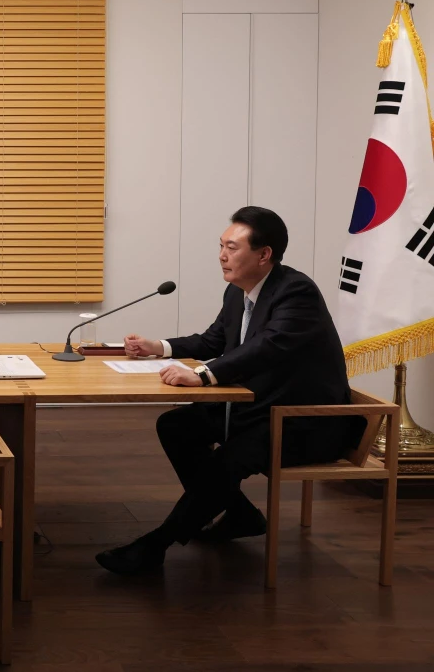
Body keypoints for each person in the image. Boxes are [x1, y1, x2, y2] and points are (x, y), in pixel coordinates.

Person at [96, 206, 362, 576]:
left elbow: (267, 346)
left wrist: (204, 377)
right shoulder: (238, 293)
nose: (222, 255)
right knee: (176, 426)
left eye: (232, 247)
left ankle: (156, 545)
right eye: (221, 246)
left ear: (264, 254)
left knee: (233, 456)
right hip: (261, 408)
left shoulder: (296, 292)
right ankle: (240, 515)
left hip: (305, 421)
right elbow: (214, 340)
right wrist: (158, 346)